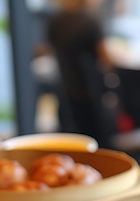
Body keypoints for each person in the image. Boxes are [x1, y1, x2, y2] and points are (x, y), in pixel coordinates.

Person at [46, 0, 118, 147]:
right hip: (90, 96)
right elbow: (106, 59)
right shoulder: (90, 21)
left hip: (66, 92)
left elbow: (50, 50)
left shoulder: (55, 21)